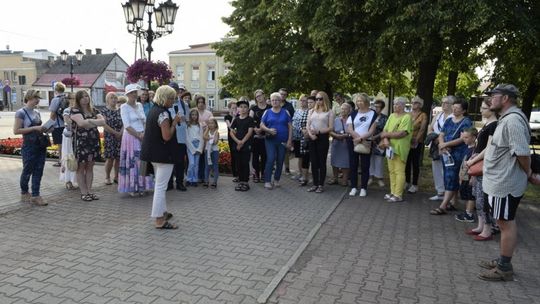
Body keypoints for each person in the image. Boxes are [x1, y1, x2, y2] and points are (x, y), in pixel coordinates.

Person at [477, 84, 539, 281]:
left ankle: (505, 267)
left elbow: (522, 152)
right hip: (500, 182)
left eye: (493, 96)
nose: (489, 100)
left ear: (505, 98)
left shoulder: (512, 121)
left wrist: (529, 172)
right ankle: (502, 259)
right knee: (503, 222)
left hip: (506, 183)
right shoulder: (508, 119)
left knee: (505, 223)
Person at [141, 85, 182, 230]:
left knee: (160, 185)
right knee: (160, 187)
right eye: (172, 98)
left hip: (153, 154)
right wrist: (175, 123)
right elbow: (167, 136)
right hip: (163, 155)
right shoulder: (163, 114)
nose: (173, 101)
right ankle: (159, 220)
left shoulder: (153, 110)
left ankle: (163, 212)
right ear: (165, 98)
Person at [430, 99, 472, 215]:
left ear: (463, 110)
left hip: (458, 153)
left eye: (457, 108)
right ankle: (454, 202)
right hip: (446, 153)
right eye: (454, 107)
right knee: (448, 176)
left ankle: (443, 205)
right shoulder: (449, 120)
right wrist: (442, 145)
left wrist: (446, 144)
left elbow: (464, 138)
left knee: (451, 177)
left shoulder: (466, 122)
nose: (454, 109)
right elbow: (442, 134)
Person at [464, 99, 498, 240]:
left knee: (483, 198)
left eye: (484, 108)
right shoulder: (487, 124)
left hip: (484, 165)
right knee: (477, 196)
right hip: (478, 163)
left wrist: (473, 160)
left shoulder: (494, 125)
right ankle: (480, 225)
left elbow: (488, 148)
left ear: (492, 109)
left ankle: (487, 229)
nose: (481, 110)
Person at [13, 90, 48, 206]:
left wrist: (46, 128)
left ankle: (35, 195)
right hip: (29, 146)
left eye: (38, 98)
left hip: (40, 145)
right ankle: (24, 192)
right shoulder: (21, 112)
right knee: (27, 171)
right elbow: (16, 131)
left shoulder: (37, 112)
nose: (37, 100)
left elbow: (39, 128)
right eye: (35, 97)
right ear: (29, 98)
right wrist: (34, 128)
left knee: (39, 170)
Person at [70, 90, 106, 201]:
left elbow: (103, 122)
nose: (85, 98)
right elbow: (81, 123)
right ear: (78, 99)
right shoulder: (75, 110)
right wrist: (94, 120)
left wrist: (88, 121)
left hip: (93, 141)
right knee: (81, 168)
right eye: (82, 97)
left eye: (86, 96)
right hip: (81, 143)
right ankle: (83, 192)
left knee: (90, 167)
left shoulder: (94, 110)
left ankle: (90, 191)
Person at [119, 83, 154, 196]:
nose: (134, 94)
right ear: (127, 94)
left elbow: (144, 120)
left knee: (142, 161)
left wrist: (144, 133)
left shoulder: (139, 105)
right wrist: (138, 135)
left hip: (142, 135)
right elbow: (127, 126)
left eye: (135, 92)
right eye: (131, 93)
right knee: (133, 162)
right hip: (131, 137)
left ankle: (142, 185)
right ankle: (132, 187)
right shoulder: (124, 107)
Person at [379, 97, 413, 202]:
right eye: (394, 104)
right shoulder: (392, 116)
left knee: (399, 171)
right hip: (389, 147)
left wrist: (386, 135)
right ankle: (392, 192)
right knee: (391, 171)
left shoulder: (407, 117)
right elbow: (384, 130)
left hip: (400, 148)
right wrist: (385, 140)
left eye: (398, 104)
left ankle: (398, 195)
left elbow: (402, 133)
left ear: (403, 106)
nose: (395, 106)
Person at [347, 93, 377, 197]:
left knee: (365, 166)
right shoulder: (353, 113)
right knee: (353, 165)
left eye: (361, 100)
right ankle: (354, 187)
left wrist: (361, 139)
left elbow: (372, 130)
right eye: (358, 101)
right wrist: (357, 138)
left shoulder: (373, 114)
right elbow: (349, 128)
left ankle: (364, 188)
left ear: (366, 102)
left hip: (366, 142)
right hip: (354, 142)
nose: (359, 102)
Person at [260, 92, 293, 189]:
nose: (275, 102)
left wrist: (289, 140)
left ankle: (277, 179)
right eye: (273, 100)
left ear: (280, 101)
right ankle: (267, 181)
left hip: (283, 141)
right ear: (270, 101)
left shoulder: (285, 112)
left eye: (277, 100)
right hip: (270, 140)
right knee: (270, 159)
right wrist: (268, 130)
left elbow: (290, 127)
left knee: (280, 160)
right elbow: (261, 125)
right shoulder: (267, 112)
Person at [427, 96, 455, 200]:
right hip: (435, 145)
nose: (443, 104)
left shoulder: (453, 117)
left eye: (446, 103)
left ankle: (448, 194)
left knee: (446, 169)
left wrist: (440, 140)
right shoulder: (439, 115)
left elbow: (451, 133)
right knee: (436, 169)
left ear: (452, 105)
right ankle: (440, 192)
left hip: (446, 146)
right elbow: (430, 126)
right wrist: (431, 134)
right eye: (442, 102)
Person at [306, 91, 335, 193]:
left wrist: (318, 132)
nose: (318, 101)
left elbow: (331, 127)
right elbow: (308, 125)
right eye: (317, 99)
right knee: (314, 162)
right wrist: (311, 134)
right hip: (312, 138)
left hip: (322, 138)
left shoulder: (330, 112)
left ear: (325, 99)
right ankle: (315, 183)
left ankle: (321, 185)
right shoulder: (311, 111)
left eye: (320, 99)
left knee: (322, 162)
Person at [167, 84, 189, 192]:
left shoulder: (183, 104)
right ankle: (169, 183)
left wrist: (183, 118)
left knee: (180, 161)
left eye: (175, 90)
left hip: (181, 136)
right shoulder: (165, 104)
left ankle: (180, 182)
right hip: (170, 135)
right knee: (169, 160)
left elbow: (189, 119)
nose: (174, 93)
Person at [230, 100, 255, 191]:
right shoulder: (236, 119)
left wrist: (241, 142)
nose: (243, 109)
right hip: (236, 144)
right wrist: (237, 141)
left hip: (246, 144)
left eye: (245, 107)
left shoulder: (250, 119)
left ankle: (245, 182)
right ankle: (240, 181)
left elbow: (249, 132)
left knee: (245, 163)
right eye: (241, 107)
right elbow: (231, 132)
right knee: (238, 163)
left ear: (248, 109)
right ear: (238, 109)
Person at [405, 96, 428, 194]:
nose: (414, 104)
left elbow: (422, 129)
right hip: (406, 141)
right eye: (413, 102)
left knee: (415, 163)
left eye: (416, 103)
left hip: (416, 142)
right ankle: (407, 181)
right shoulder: (408, 114)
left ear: (420, 105)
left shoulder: (423, 115)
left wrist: (416, 140)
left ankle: (414, 184)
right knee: (406, 162)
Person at [454, 127, 478, 223]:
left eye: (467, 137)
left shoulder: (474, 150)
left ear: (473, 137)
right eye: (463, 137)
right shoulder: (466, 148)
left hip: (469, 176)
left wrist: (473, 177)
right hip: (464, 176)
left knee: (470, 196)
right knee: (466, 195)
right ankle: (467, 211)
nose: (464, 139)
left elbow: (474, 165)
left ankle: (469, 214)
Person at [102, 92, 123, 185]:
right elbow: (104, 124)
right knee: (110, 158)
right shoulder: (104, 111)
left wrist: (120, 132)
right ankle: (107, 176)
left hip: (120, 136)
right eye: (111, 98)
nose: (114, 99)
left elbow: (124, 122)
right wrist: (115, 133)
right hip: (109, 136)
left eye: (115, 98)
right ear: (107, 100)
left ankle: (117, 176)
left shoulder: (120, 110)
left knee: (119, 158)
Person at [250, 89, 271, 183]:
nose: (259, 98)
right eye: (257, 96)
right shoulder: (253, 109)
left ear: (264, 95)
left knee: (264, 157)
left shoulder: (269, 108)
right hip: (255, 137)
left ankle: (263, 174)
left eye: (260, 95)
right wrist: (255, 129)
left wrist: (263, 129)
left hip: (266, 136)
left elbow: (272, 121)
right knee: (255, 157)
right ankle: (256, 175)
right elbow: (250, 121)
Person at [329, 102, 352, 187]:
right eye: (342, 108)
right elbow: (330, 131)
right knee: (334, 161)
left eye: (345, 109)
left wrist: (346, 135)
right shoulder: (336, 120)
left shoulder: (351, 120)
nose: (343, 110)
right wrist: (337, 135)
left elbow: (354, 131)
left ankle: (344, 180)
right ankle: (335, 178)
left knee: (346, 162)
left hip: (346, 144)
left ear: (349, 111)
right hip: (336, 143)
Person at [59, 93, 78, 190]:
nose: (75, 100)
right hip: (69, 137)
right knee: (68, 157)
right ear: (69, 100)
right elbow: (67, 120)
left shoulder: (80, 110)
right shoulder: (67, 110)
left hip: (78, 136)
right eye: (73, 98)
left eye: (76, 98)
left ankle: (76, 179)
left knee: (76, 157)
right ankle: (68, 180)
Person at [368, 99, 388, 188]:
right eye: (375, 106)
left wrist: (375, 137)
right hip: (369, 140)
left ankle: (379, 178)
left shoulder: (385, 118)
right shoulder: (370, 116)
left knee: (379, 160)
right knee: (370, 159)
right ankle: (370, 177)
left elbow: (385, 130)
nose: (376, 108)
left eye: (378, 107)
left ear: (382, 108)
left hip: (380, 140)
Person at [291, 94, 310, 183]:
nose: (302, 102)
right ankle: (300, 174)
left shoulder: (310, 111)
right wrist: (300, 129)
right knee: (299, 156)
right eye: (301, 100)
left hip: (306, 138)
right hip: (297, 137)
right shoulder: (297, 111)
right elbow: (294, 123)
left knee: (306, 156)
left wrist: (305, 131)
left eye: (305, 100)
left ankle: (305, 175)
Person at [49, 82, 67, 167]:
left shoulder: (55, 99)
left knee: (60, 144)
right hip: (66, 124)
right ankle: (67, 160)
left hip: (58, 125)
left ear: (55, 90)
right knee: (66, 143)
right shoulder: (66, 98)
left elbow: (53, 114)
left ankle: (61, 161)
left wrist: (49, 124)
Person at [196, 95, 213, 183]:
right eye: (199, 102)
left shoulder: (209, 113)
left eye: (202, 102)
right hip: (196, 138)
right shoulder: (194, 112)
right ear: (197, 104)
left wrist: (205, 125)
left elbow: (211, 124)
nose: (201, 104)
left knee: (205, 158)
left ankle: (205, 176)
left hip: (206, 138)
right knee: (198, 157)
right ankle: (198, 176)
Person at [186, 109, 204, 186]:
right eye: (192, 115)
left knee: (196, 165)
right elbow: (187, 138)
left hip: (198, 145)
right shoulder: (187, 125)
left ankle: (194, 180)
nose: (194, 116)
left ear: (197, 116)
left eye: (195, 115)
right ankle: (189, 179)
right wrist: (193, 149)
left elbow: (202, 137)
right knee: (191, 164)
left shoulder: (199, 125)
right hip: (190, 146)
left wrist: (199, 148)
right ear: (190, 116)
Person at [279, 88, 295, 175]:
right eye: (281, 94)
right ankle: (277, 167)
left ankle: (287, 168)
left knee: (286, 151)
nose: (282, 96)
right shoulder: (273, 103)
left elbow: (292, 119)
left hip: (285, 130)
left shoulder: (289, 106)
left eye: (284, 94)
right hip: (274, 131)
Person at [203, 118, 220, 189]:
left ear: (215, 124)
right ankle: (206, 181)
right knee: (207, 166)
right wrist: (207, 129)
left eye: (212, 123)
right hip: (207, 151)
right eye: (209, 123)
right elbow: (204, 137)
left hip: (215, 151)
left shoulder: (216, 132)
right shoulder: (207, 131)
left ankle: (214, 182)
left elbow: (215, 141)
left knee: (215, 166)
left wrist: (209, 139)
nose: (210, 124)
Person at [225, 101, 239, 181]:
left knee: (239, 155)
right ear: (229, 109)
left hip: (239, 138)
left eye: (236, 108)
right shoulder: (227, 117)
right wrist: (234, 117)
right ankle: (235, 173)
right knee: (233, 155)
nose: (235, 110)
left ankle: (240, 173)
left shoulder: (239, 116)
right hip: (231, 138)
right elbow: (230, 127)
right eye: (233, 108)